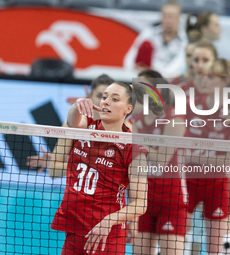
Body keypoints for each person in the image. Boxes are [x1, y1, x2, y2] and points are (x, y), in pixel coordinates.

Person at [50, 81, 153, 255]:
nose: (105, 101)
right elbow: (72, 122)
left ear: (128, 109)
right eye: (104, 97)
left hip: (105, 234)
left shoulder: (134, 147)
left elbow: (141, 204)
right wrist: (77, 105)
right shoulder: (86, 127)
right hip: (74, 227)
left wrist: (110, 220)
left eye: (114, 99)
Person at [185, 58, 230, 255]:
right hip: (186, 182)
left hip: (216, 184)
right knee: (180, 244)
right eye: (203, 75)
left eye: (210, 77)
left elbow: (229, 161)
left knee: (216, 248)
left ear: (224, 81)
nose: (203, 80)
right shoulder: (190, 104)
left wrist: (192, 158)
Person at [129, 70, 187, 255]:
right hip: (142, 198)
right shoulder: (135, 119)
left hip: (170, 199)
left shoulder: (174, 117)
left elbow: (162, 160)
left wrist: (137, 138)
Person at [27, 74, 116, 177]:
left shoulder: (125, 130)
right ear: (90, 96)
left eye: (108, 98)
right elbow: (53, 171)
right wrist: (84, 164)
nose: (103, 102)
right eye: (99, 96)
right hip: (77, 192)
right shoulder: (73, 126)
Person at [124, 0, 187, 78]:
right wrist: (130, 70)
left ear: (179, 18)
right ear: (161, 17)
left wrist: (161, 76)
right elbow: (131, 57)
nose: (169, 19)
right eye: (166, 15)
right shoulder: (149, 33)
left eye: (172, 16)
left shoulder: (185, 39)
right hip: (148, 77)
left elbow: (181, 63)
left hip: (170, 79)